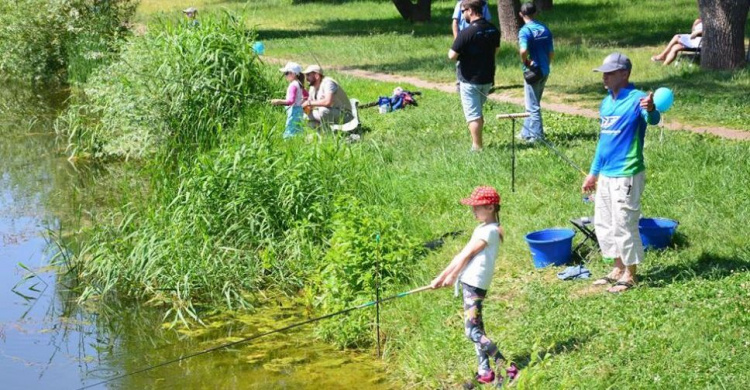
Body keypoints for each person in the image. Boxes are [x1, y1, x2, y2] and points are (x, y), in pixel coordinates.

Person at [582, 53, 660, 294]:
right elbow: (603, 142)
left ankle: (630, 274)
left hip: (627, 172)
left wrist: (652, 108)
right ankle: (617, 267)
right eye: (603, 72)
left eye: (610, 72)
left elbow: (652, 118)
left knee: (624, 223)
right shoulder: (606, 102)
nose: (604, 76)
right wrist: (593, 173)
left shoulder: (638, 99)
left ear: (624, 74)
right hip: (605, 173)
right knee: (604, 222)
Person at [430, 186, 518, 387]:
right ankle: (485, 372)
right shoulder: (481, 228)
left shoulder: (490, 232)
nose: (473, 211)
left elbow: (466, 255)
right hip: (469, 282)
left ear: (490, 207)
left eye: (477, 207)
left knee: (472, 332)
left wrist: (450, 276)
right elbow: (459, 255)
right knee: (478, 327)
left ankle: (508, 368)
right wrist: (441, 277)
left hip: (475, 285)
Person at [449, 0, 500, 151]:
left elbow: (451, 55)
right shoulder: (493, 29)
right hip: (487, 79)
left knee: (473, 115)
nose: (463, 14)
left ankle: (477, 147)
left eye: (463, 11)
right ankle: (477, 140)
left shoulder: (466, 33)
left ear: (470, 11)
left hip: (470, 80)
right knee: (477, 111)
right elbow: (496, 51)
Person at [517, 3, 554, 142]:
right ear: (536, 13)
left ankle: (538, 137)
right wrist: (546, 65)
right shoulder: (545, 29)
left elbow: (523, 50)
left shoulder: (524, 31)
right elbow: (551, 52)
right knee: (533, 102)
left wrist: (525, 61)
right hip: (544, 70)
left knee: (532, 106)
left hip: (532, 72)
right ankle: (526, 133)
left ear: (521, 15)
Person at [271, 62, 306, 139]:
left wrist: (278, 101)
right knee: (298, 129)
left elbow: (290, 101)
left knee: (290, 130)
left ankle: (287, 143)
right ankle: (299, 143)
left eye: (286, 73)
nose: (285, 75)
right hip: (300, 110)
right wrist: (300, 102)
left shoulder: (293, 85)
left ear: (293, 74)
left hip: (293, 111)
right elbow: (306, 95)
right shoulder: (299, 83)